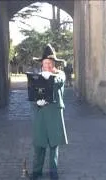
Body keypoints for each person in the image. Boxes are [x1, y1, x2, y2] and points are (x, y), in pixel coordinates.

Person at [30, 44, 68, 180]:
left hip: (54, 113)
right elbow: (32, 92)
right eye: (44, 63)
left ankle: (53, 172)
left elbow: (59, 81)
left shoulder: (60, 74)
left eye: (49, 63)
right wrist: (36, 101)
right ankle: (36, 171)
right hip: (40, 113)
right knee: (39, 144)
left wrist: (49, 77)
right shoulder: (37, 76)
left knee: (53, 144)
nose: (46, 65)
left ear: (53, 64)